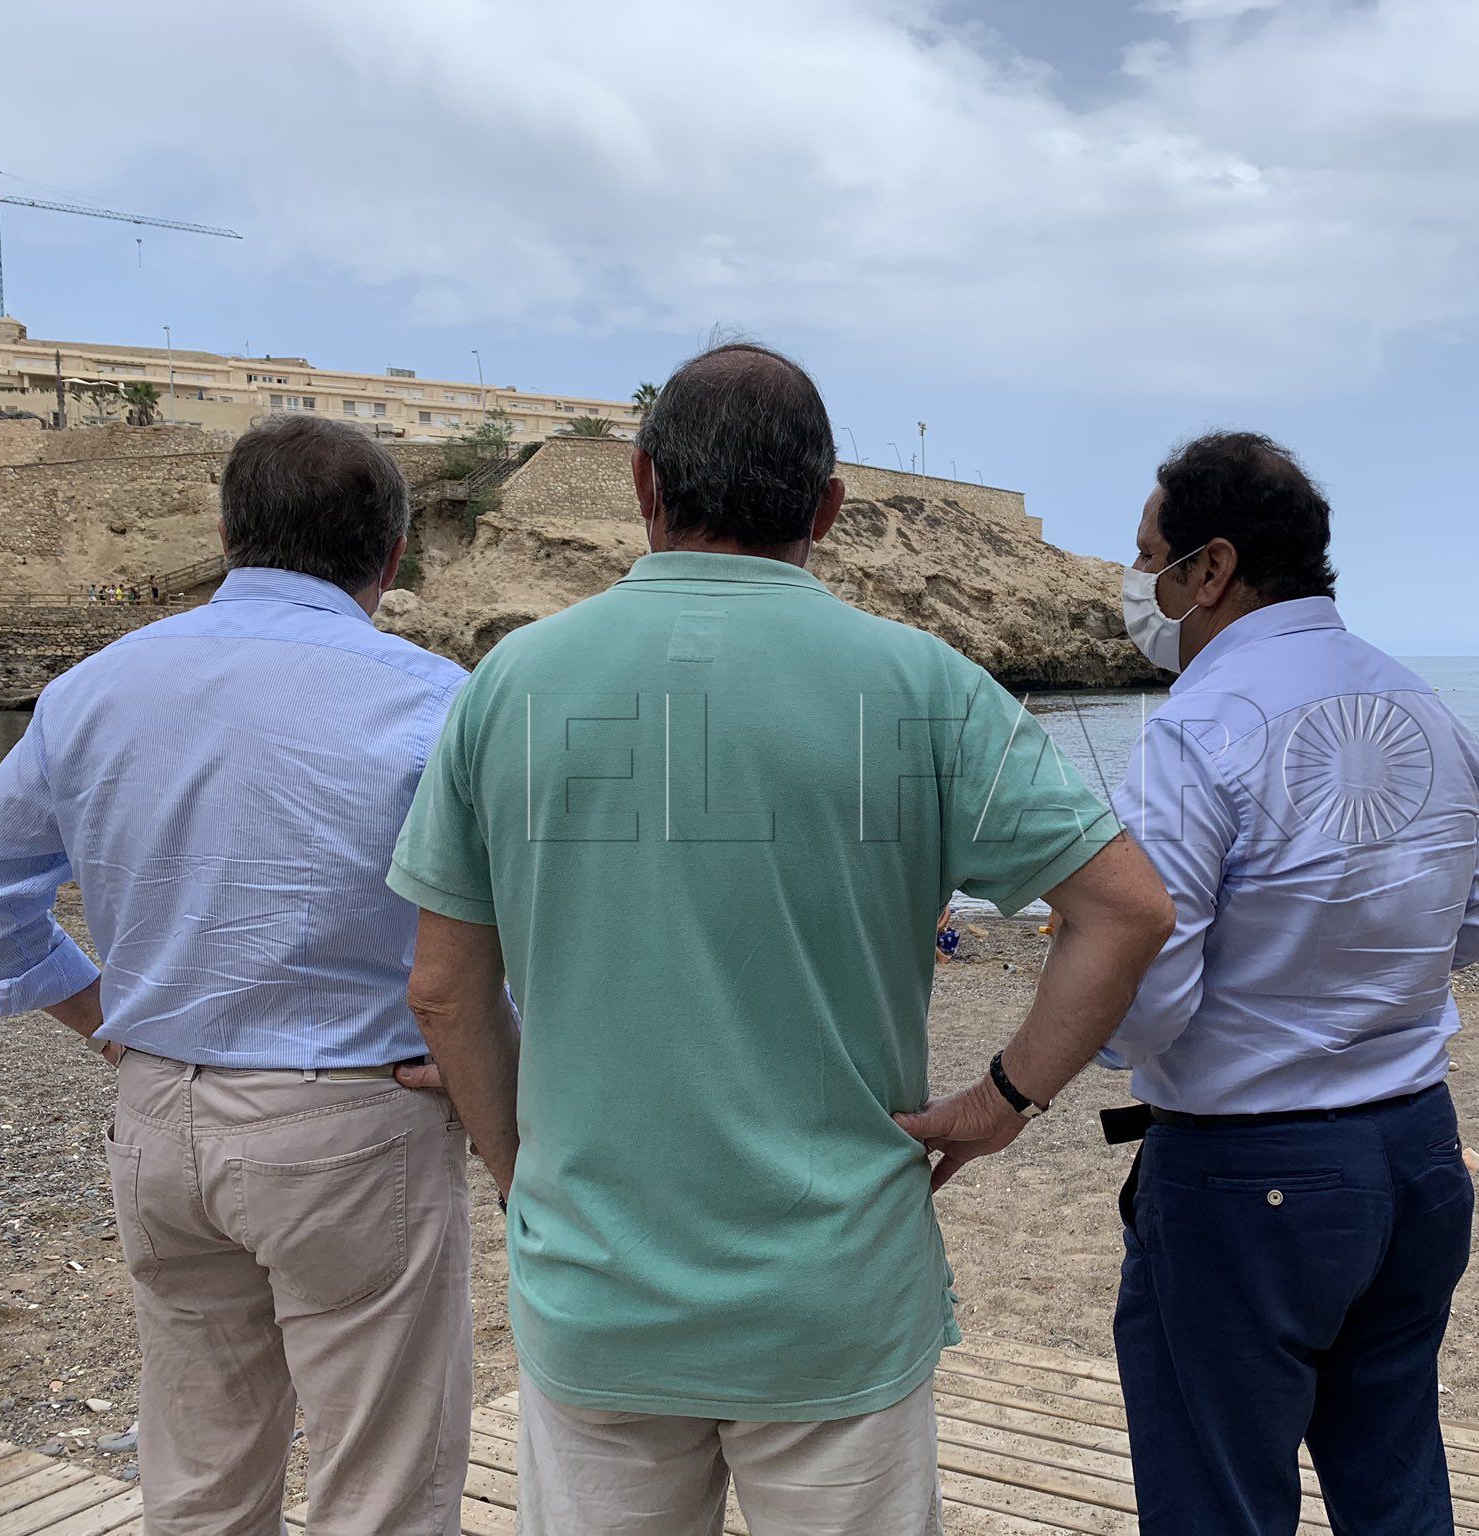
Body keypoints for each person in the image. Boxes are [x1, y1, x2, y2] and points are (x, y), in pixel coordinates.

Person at [389, 342, 1173, 1536]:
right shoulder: (923, 688)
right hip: (835, 1292)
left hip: (598, 1287)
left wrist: (520, 1179)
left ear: (643, 486)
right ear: (828, 509)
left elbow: (444, 992)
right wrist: (1005, 1097)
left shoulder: (509, 686)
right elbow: (1126, 909)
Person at [0, 416, 476, 1534]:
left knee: (194, 1464)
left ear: (230, 534)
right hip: (352, 1117)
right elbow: (510, 921)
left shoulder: (96, 686)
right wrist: (490, 1058)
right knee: (382, 1480)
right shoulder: (435, 700)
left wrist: (104, 1017)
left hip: (156, 1112)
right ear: (389, 557)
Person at [1100, 432, 1479, 1536]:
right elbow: (1466, 931)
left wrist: (1084, 1045)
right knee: (1394, 1479)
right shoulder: (1425, 709)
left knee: (1215, 1500)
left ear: (1209, 568)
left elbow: (1147, 991)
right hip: (1416, 1150)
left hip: (1244, 1173)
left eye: (1148, 558)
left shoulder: (1192, 733)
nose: (1138, 586)